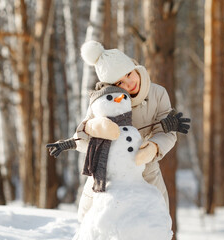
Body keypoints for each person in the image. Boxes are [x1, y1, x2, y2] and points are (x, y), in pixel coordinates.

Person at [71, 40, 189, 222]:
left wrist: (154, 148)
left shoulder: (158, 94)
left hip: (147, 172)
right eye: (120, 82)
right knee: (98, 224)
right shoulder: (103, 102)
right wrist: (94, 127)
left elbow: (167, 131)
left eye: (128, 74)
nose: (129, 83)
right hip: (109, 175)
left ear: (134, 67)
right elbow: (80, 139)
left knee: (156, 224)